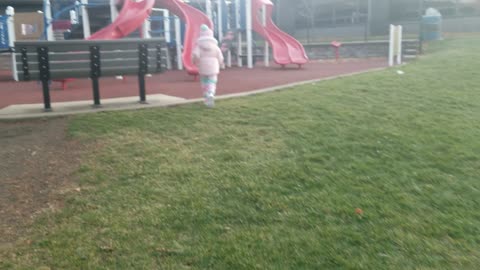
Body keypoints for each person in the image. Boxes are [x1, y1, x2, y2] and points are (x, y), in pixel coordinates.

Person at [192, 24, 224, 107]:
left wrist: (194, 62)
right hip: (213, 67)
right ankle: (211, 93)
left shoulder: (199, 46)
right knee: (212, 82)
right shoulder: (215, 47)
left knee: (204, 82)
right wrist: (221, 63)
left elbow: (195, 55)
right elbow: (220, 57)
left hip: (202, 66)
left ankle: (206, 97)